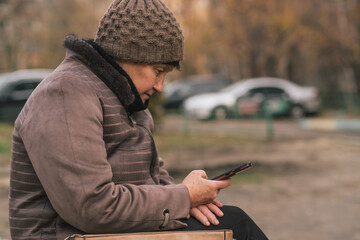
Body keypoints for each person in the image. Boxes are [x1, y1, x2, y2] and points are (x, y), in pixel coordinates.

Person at [9, 0, 268, 239]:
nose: (160, 87)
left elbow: (153, 178)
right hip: (71, 235)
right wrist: (183, 197)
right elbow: (92, 207)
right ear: (125, 55)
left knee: (228, 221)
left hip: (113, 234)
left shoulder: (127, 98)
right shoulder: (66, 93)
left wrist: (190, 202)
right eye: (158, 72)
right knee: (237, 227)